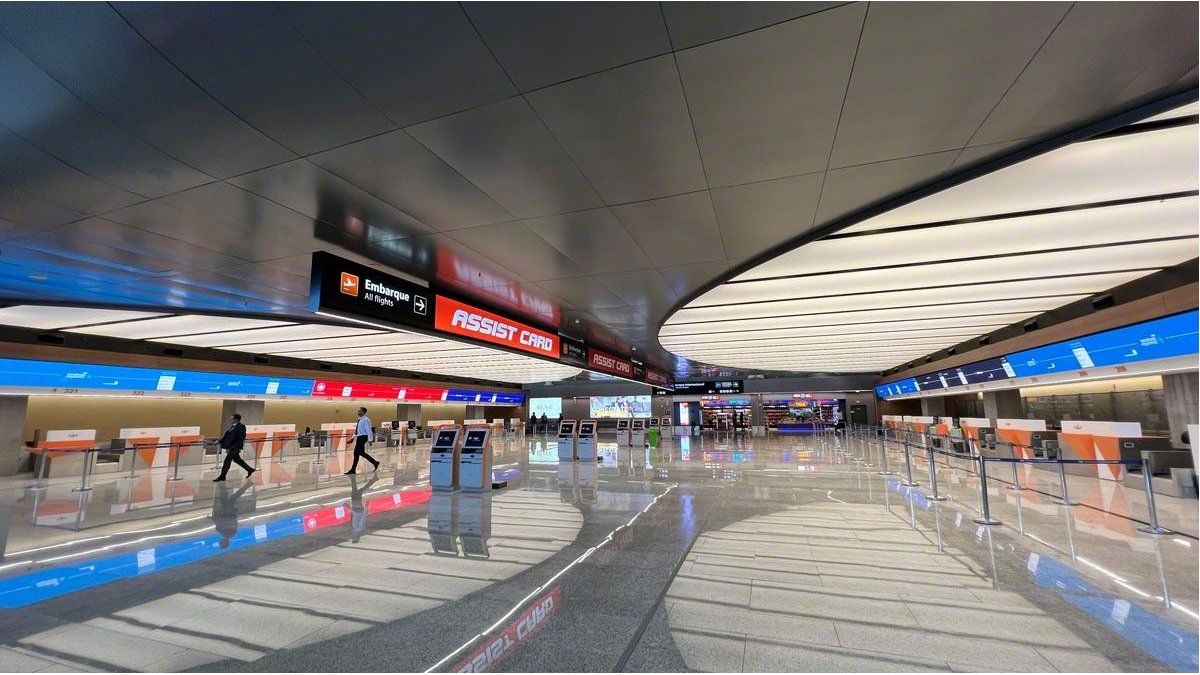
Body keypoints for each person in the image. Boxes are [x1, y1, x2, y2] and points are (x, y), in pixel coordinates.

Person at [214, 413, 255, 482]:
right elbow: (226, 436)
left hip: (235, 447)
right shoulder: (232, 426)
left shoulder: (241, 426)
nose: (230, 420)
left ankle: (222, 476)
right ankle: (250, 469)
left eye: (232, 419)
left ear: (236, 419)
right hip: (230, 446)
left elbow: (242, 438)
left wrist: (239, 447)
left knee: (227, 461)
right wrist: (219, 441)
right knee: (237, 460)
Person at [210, 481, 252, 548]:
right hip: (225, 512)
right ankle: (222, 482)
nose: (220, 541)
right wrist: (211, 518)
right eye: (220, 542)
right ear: (222, 542)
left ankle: (248, 485)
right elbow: (219, 522)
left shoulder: (233, 534)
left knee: (232, 497)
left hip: (231, 513)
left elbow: (235, 523)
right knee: (224, 496)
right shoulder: (223, 533)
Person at [345, 406, 379, 475]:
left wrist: (370, 439)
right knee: (356, 453)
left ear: (364, 412)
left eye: (360, 410)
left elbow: (368, 430)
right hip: (359, 437)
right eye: (358, 410)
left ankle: (375, 462)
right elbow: (357, 431)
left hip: (363, 437)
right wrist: (352, 438)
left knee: (360, 452)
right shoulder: (359, 420)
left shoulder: (366, 420)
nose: (358, 411)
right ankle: (353, 470)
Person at [348, 474, 379, 543]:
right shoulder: (359, 528)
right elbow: (363, 517)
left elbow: (354, 516)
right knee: (357, 492)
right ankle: (353, 477)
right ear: (356, 537)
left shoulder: (355, 529)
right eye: (353, 538)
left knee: (356, 492)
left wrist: (349, 508)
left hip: (356, 508)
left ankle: (353, 477)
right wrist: (366, 507)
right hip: (358, 508)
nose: (352, 537)